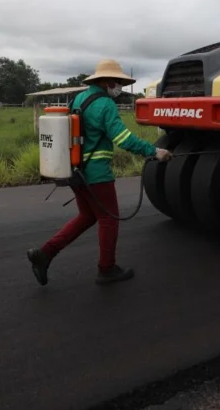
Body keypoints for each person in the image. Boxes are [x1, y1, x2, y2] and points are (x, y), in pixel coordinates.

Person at [27, 59, 172, 286]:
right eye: (116, 81)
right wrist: (154, 151)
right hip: (96, 174)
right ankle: (106, 269)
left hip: (75, 171)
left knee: (87, 216)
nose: (118, 86)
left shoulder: (79, 99)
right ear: (105, 82)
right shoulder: (105, 105)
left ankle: (44, 254)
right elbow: (122, 138)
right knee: (108, 219)